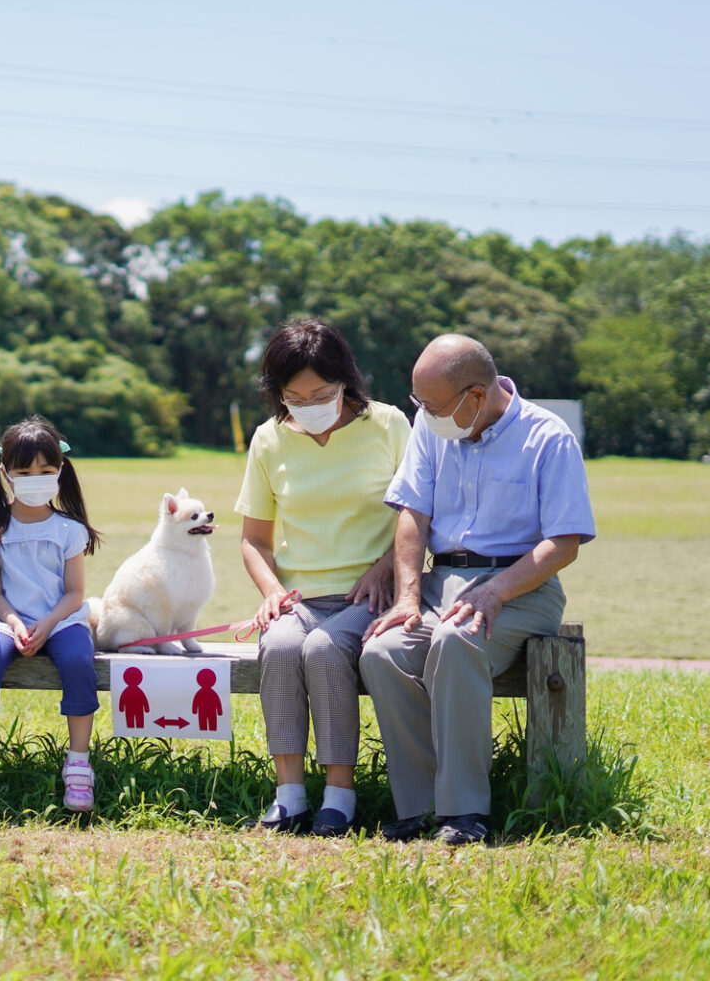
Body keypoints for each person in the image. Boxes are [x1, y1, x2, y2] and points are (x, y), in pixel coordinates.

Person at [360, 333, 596, 846]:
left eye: (434, 405)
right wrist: (406, 596)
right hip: (439, 582)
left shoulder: (548, 438)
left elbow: (564, 543)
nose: (424, 414)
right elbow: (412, 515)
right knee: (382, 652)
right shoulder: (431, 423)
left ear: (477, 396)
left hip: (521, 587)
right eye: (418, 403)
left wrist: (496, 592)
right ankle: (417, 809)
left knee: (457, 640)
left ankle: (464, 812)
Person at [236, 319, 412, 837]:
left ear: (346, 382)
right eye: (293, 397)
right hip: (300, 599)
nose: (309, 405)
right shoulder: (269, 439)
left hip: (371, 594)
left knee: (325, 649)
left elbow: (417, 513)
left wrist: (386, 566)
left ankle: (341, 795)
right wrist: (271, 594)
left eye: (322, 394)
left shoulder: (388, 424)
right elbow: (253, 540)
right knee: (284, 646)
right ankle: (289, 796)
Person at [0, 417, 103, 811]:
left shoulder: (69, 530)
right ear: (5, 473)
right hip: (7, 619)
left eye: (46, 471)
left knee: (79, 661)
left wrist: (48, 625)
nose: (36, 477)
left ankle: (79, 764)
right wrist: (15, 623)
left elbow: (74, 594)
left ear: (60, 471)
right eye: (24, 471)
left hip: (61, 620)